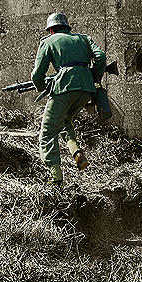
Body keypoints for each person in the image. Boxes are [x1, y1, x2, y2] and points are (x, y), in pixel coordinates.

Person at [31, 12, 106, 186]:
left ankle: (55, 176)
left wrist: (42, 87)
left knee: (48, 132)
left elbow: (37, 75)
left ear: (51, 30)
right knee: (65, 121)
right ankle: (76, 152)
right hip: (86, 90)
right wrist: (94, 77)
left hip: (64, 88)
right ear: (67, 27)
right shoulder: (84, 39)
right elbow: (101, 57)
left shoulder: (47, 41)